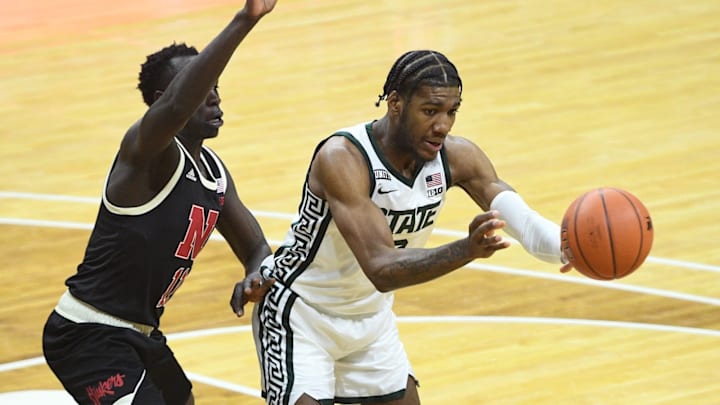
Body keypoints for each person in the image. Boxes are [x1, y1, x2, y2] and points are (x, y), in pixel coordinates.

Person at [253, 49, 573, 405]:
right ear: (395, 104)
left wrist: (569, 246)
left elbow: (523, 221)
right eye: (430, 111)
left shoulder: (457, 156)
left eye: (452, 112)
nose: (443, 125)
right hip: (302, 313)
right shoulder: (343, 157)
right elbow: (381, 268)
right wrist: (465, 250)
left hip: (371, 316)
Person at [41, 1, 278, 404]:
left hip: (141, 331)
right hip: (87, 332)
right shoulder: (146, 153)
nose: (215, 99)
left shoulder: (215, 173)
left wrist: (256, 274)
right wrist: (246, 18)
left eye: (217, 89)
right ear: (162, 99)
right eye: (203, 89)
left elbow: (255, 247)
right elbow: (175, 108)